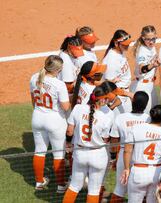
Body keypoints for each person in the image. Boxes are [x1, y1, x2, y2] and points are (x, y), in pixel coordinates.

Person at [62, 86, 114, 203]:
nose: (107, 101)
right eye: (106, 98)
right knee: (94, 190)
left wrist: (69, 144)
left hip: (80, 153)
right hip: (98, 155)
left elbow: (69, 131)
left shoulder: (78, 109)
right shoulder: (106, 116)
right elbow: (106, 139)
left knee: (74, 186)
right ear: (101, 100)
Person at [30, 55, 70, 193]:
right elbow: (65, 107)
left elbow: (33, 101)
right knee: (59, 154)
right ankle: (61, 186)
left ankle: (39, 182)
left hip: (37, 117)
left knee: (39, 151)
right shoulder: (59, 84)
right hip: (55, 121)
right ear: (58, 69)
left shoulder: (34, 77)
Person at [121, 105, 161, 203]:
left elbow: (127, 150)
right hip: (157, 172)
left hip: (138, 171)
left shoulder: (136, 128)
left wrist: (126, 168)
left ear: (151, 115)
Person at [109, 91, 150, 203]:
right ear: (146, 105)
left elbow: (114, 139)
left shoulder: (120, 118)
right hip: (142, 157)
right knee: (143, 191)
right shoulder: (149, 119)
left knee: (120, 188)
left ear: (132, 101)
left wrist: (113, 157)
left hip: (123, 155)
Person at [132, 25, 161, 113]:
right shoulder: (142, 51)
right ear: (143, 38)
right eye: (148, 39)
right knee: (145, 115)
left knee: (155, 111)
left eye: (153, 39)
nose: (151, 42)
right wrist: (153, 65)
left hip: (150, 85)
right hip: (142, 86)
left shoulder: (151, 47)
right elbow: (142, 69)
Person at [103, 29, 133, 113]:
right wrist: (129, 94)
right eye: (125, 45)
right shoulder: (112, 60)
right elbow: (108, 86)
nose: (127, 46)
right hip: (118, 98)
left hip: (124, 94)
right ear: (116, 43)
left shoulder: (120, 51)